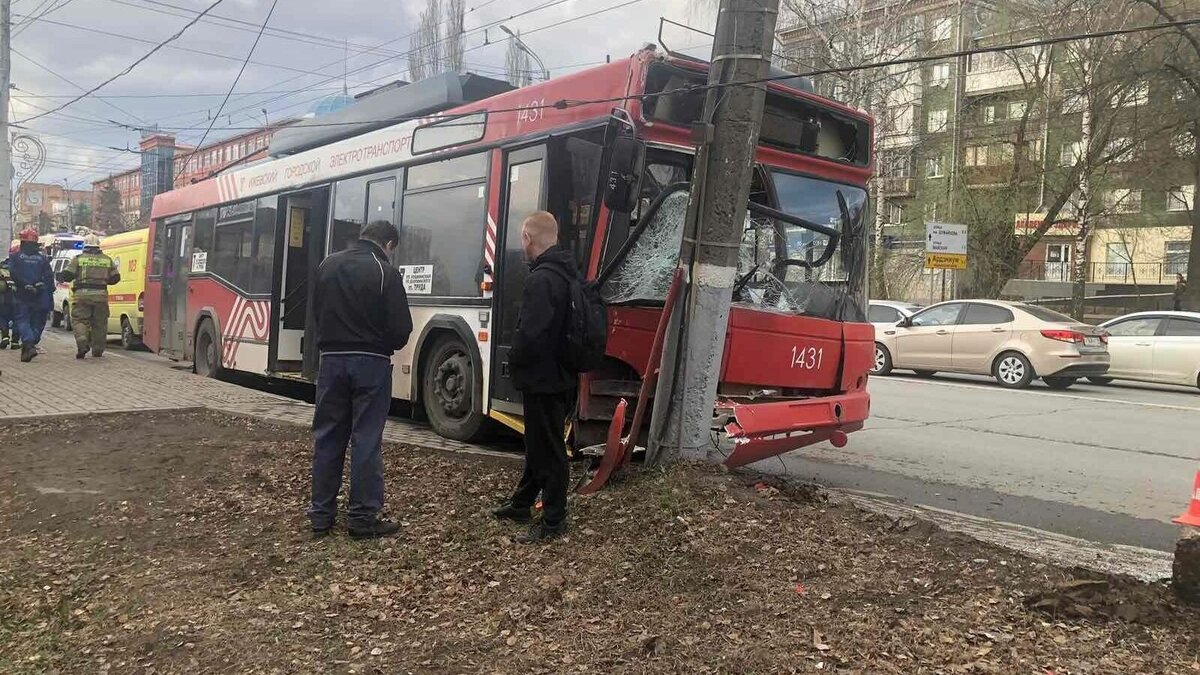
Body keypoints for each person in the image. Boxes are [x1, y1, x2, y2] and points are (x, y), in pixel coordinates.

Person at [308, 221, 413, 540]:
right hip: (372, 363)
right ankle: (363, 517)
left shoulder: (328, 264)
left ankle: (321, 516)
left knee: (327, 436)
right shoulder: (385, 272)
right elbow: (401, 329)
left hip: (331, 362)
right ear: (389, 245)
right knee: (366, 439)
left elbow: (316, 313)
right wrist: (381, 342)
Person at [493, 211, 578, 544]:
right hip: (563, 375)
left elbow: (531, 335)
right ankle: (522, 503)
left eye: (521, 237)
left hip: (543, 378)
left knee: (549, 448)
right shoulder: (569, 275)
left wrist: (513, 361)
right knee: (539, 442)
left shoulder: (541, 280)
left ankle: (554, 520)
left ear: (528, 238)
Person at [59, 234, 121, 359]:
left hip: (82, 296)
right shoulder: (107, 259)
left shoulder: (78, 259)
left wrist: (62, 276)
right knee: (100, 324)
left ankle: (82, 342)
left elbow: (67, 275)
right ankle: (97, 350)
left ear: (85, 245)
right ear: (98, 245)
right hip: (101, 297)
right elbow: (116, 278)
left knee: (80, 320)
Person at [7, 228, 53, 363]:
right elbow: (49, 276)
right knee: (36, 321)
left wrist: (24, 285)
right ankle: (29, 347)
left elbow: (12, 273)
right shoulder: (42, 258)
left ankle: (28, 343)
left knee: (22, 320)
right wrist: (39, 285)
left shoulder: (16, 257)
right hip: (38, 294)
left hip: (21, 293)